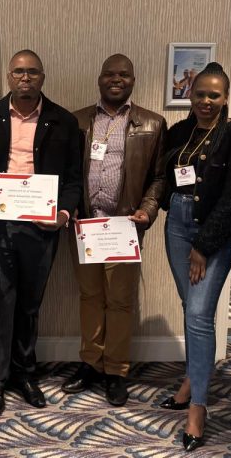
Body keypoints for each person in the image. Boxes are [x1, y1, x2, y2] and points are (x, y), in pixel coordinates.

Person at [0, 49, 82, 416]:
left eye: (32, 72)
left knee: (30, 304)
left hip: (41, 226)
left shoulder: (63, 121)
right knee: (0, 303)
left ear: (42, 77)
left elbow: (73, 179)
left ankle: (24, 374)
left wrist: (63, 215)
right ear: (9, 76)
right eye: (18, 71)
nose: (25, 77)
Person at [160, 62, 231, 451]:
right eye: (199, 93)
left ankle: (197, 408)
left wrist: (203, 245)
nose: (206, 101)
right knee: (190, 308)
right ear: (190, 94)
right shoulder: (178, 132)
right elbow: (165, 180)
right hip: (176, 225)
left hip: (211, 231)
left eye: (214, 95)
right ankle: (190, 380)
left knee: (199, 316)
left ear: (225, 97)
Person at [62, 54, 166, 406]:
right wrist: (70, 206)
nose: (116, 79)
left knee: (120, 301)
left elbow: (159, 177)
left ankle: (116, 370)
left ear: (133, 80)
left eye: (124, 74)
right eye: (109, 74)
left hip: (124, 228)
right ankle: (91, 363)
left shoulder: (152, 123)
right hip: (86, 226)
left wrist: (147, 209)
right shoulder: (77, 121)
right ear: (99, 79)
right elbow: (68, 172)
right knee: (90, 297)